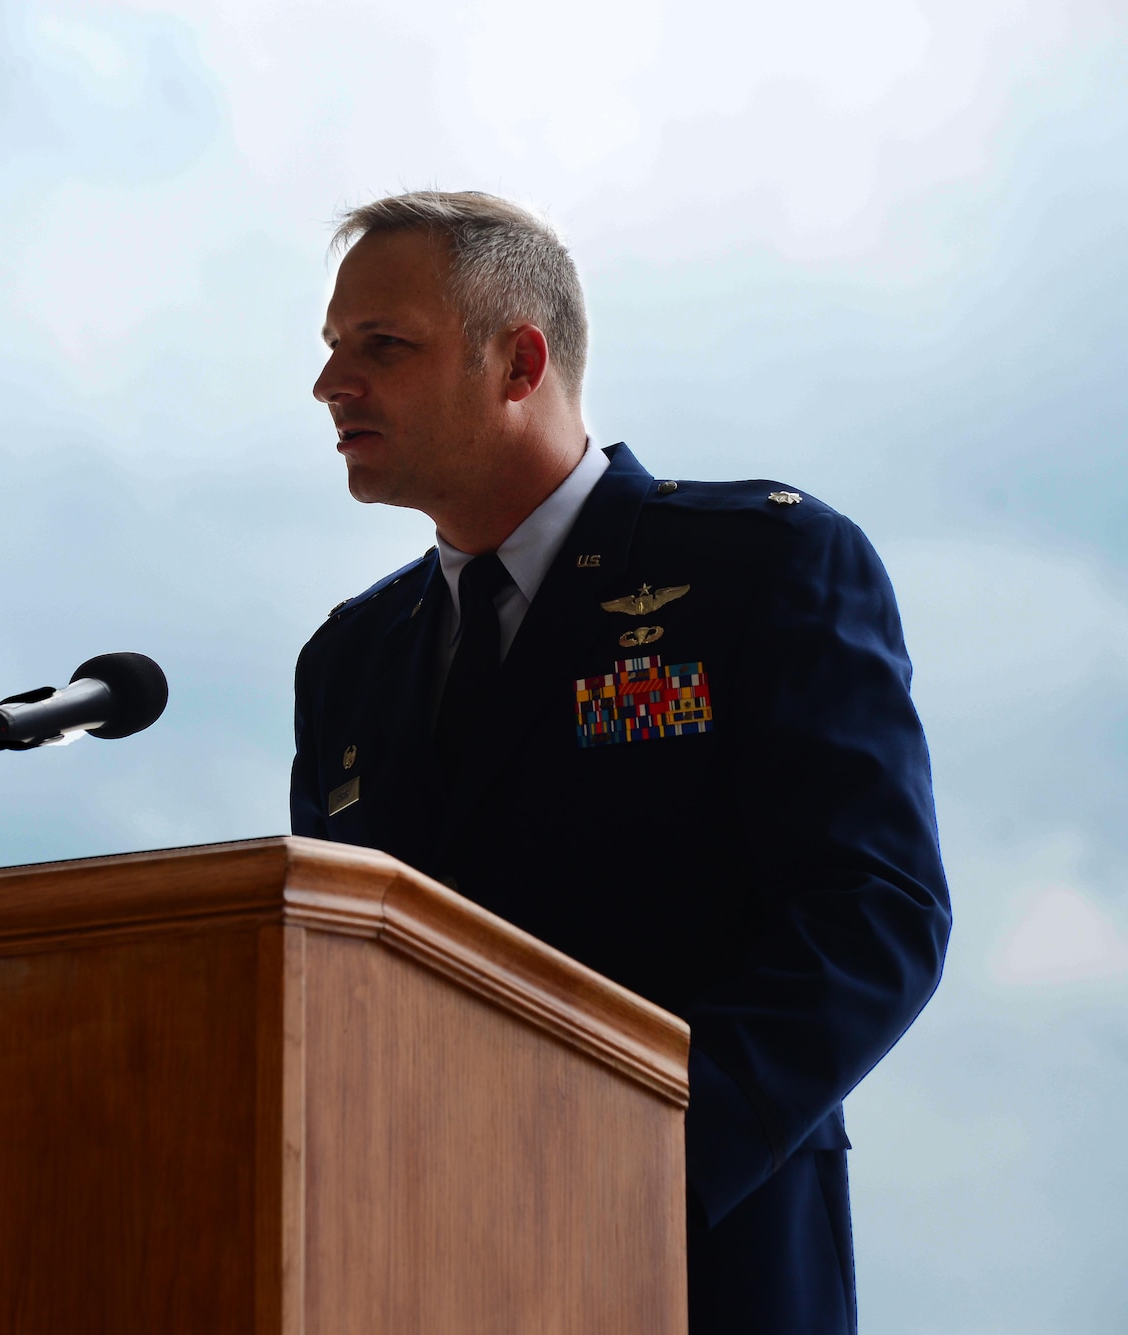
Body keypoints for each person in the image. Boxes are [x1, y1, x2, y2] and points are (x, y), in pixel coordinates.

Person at [290, 190, 950, 1335]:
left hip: (688, 1265)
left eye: (380, 347)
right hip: (408, 1270)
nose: (329, 385)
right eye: (332, 350)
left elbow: (872, 918)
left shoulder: (762, 567)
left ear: (517, 361)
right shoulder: (348, 659)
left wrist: (628, 1156)